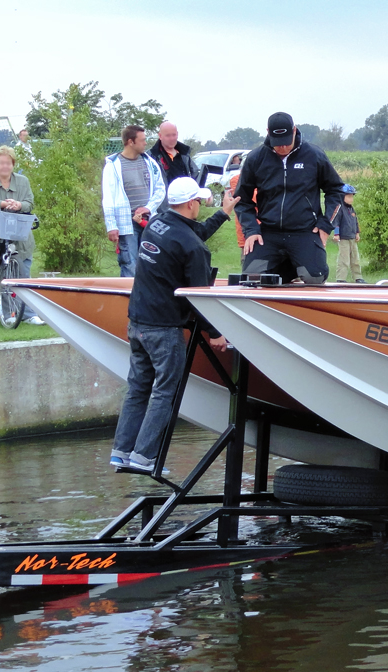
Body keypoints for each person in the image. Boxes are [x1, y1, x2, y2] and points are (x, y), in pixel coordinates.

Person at [110, 177, 230, 474]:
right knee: (165, 392)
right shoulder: (193, 248)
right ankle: (144, 457)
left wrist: (223, 213)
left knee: (138, 388)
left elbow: (192, 233)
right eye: (200, 202)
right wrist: (215, 334)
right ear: (191, 203)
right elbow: (198, 299)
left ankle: (121, 452)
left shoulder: (158, 224)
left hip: (136, 321)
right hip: (163, 329)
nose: (200, 206)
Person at [235, 112, 344, 284]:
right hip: (268, 232)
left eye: (286, 142)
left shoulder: (314, 155)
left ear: (294, 131)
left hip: (304, 230)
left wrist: (325, 225)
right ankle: (286, 266)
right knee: (251, 278)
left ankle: (299, 264)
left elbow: (336, 190)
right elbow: (241, 200)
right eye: (278, 144)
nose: (283, 148)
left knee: (315, 277)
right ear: (268, 133)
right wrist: (251, 230)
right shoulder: (256, 159)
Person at [102, 125, 166, 278]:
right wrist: (111, 226)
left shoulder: (150, 163)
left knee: (151, 263)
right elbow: (108, 197)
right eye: (142, 140)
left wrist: (148, 208)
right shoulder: (113, 166)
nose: (145, 143)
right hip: (126, 224)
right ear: (131, 142)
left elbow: (160, 189)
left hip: (147, 222)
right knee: (130, 264)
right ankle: (127, 299)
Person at [0, 145, 42, 324]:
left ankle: (28, 315)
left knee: (23, 275)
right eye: (1, 163)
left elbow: (29, 202)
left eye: (8, 163)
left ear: (13, 164)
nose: (5, 166)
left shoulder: (23, 181)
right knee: (1, 278)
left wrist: (19, 205)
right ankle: (8, 315)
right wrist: (2, 204)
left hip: (19, 235)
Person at [148, 121, 198, 210]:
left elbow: (196, 174)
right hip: (163, 207)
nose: (171, 138)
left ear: (177, 134)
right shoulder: (151, 157)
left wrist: (198, 194)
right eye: (168, 135)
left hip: (185, 204)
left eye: (174, 135)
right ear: (160, 136)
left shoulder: (184, 154)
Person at [330, 183, 363, 282]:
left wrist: (357, 233)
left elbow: (355, 221)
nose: (351, 199)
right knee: (344, 259)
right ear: (342, 196)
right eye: (349, 197)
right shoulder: (339, 208)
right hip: (343, 238)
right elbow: (335, 222)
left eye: (352, 196)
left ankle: (358, 277)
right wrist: (336, 234)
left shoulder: (352, 209)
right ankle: (341, 278)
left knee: (355, 259)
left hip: (352, 237)